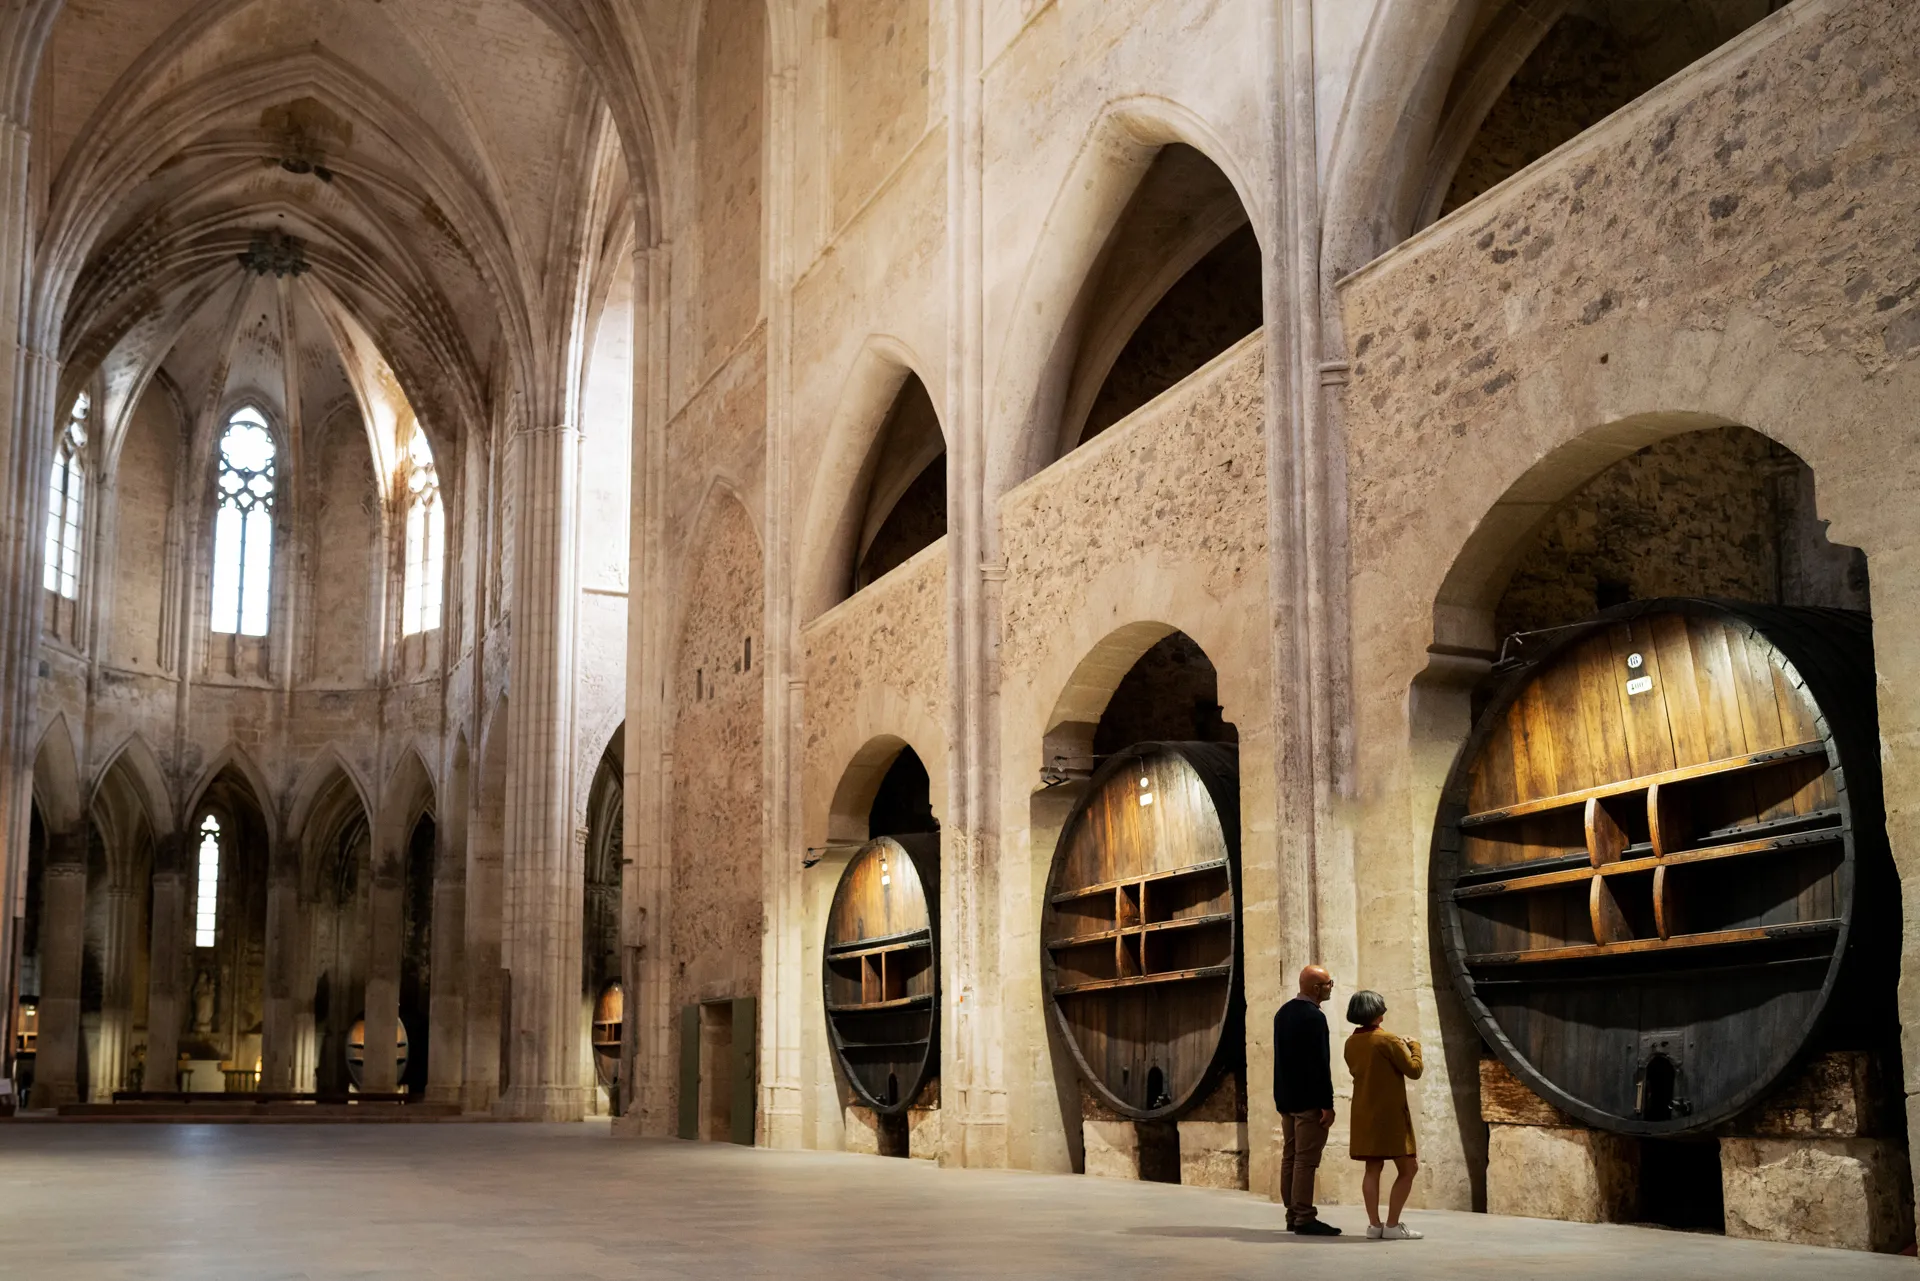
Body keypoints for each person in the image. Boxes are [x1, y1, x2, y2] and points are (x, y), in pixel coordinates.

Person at [1343, 989, 1424, 1241]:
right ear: (1377, 1012)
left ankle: (1373, 1224)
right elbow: (1414, 1070)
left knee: (1372, 1168)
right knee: (1409, 1168)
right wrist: (1414, 1046)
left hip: (1364, 1111)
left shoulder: (1350, 1042)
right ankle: (1392, 1225)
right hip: (1390, 1114)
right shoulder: (1387, 1040)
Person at [1273, 964, 1340, 1236]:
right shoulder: (1314, 1017)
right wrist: (1327, 1103)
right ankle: (1304, 1216)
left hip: (1287, 1099)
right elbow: (1319, 1065)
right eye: (1328, 983)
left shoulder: (1283, 1013)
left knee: (1290, 1157)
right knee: (1305, 1160)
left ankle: (1292, 1213)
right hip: (1309, 1101)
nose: (1330, 987)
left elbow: (1281, 1059)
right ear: (1316, 988)